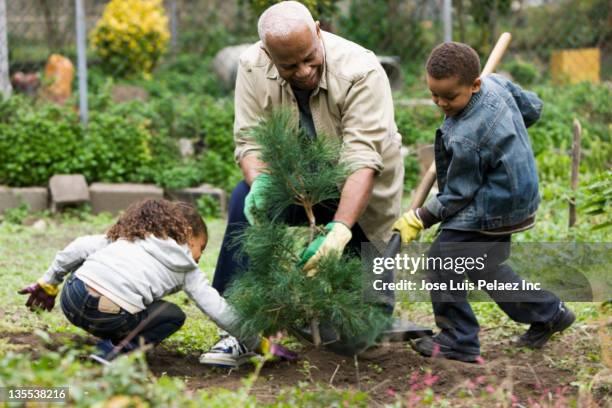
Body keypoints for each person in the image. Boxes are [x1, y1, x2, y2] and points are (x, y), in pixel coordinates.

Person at [200, 0, 404, 365]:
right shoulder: (251, 65)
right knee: (243, 197)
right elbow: (250, 139)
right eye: (289, 65)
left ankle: (355, 309)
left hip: (359, 190)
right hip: (295, 183)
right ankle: (238, 329)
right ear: (268, 52)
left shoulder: (362, 70)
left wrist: (340, 229)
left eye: (310, 57)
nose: (305, 70)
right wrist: (260, 183)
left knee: (363, 331)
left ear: (318, 29)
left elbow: (362, 159)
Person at [392, 42, 575, 363]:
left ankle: (458, 339)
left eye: (449, 97)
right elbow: (532, 107)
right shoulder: (496, 83)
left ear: (474, 84)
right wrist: (506, 137)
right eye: (434, 94)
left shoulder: (467, 136)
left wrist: (421, 216)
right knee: (486, 268)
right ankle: (549, 312)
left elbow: (459, 194)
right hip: (517, 196)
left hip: (492, 206)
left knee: (441, 260)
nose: (441, 103)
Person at [19, 199, 295, 366]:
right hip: (109, 315)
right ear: (188, 237)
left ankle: (106, 337)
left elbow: (78, 247)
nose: (199, 256)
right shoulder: (187, 267)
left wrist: (49, 283)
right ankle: (114, 350)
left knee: (97, 269)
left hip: (71, 299)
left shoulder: (130, 235)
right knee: (172, 314)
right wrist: (258, 344)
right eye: (202, 246)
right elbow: (219, 311)